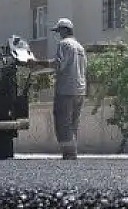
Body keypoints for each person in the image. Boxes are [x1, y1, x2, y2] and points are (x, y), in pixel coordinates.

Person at [31, 17, 87, 160]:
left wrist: (37, 63)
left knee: (63, 122)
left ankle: (69, 154)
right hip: (80, 90)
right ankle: (72, 151)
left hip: (66, 90)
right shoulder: (80, 47)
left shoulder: (64, 44)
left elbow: (58, 64)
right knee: (73, 122)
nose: (58, 34)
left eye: (59, 31)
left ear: (64, 30)